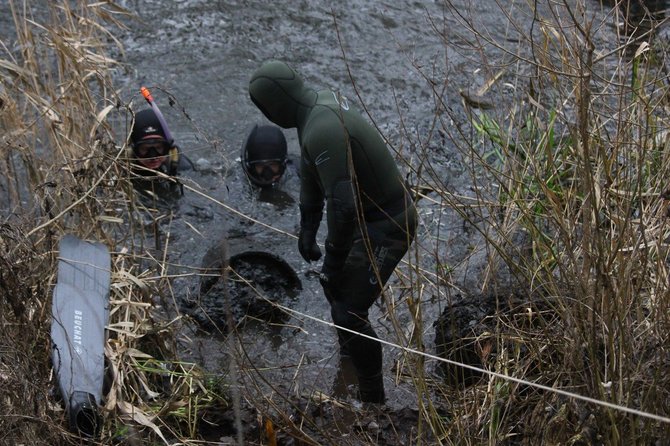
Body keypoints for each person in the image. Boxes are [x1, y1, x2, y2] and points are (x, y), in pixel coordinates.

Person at [249, 60, 418, 404]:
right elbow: (313, 172)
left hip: (390, 223)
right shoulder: (314, 111)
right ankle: (350, 363)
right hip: (369, 219)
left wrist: (334, 258)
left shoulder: (322, 125)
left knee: (349, 311)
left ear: (275, 104)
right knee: (337, 292)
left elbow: (343, 206)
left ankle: (373, 401)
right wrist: (307, 229)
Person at [129, 108, 184, 196]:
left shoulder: (182, 165)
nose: (153, 156)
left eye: (158, 148)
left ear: (168, 147)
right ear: (133, 148)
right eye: (145, 149)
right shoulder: (121, 167)